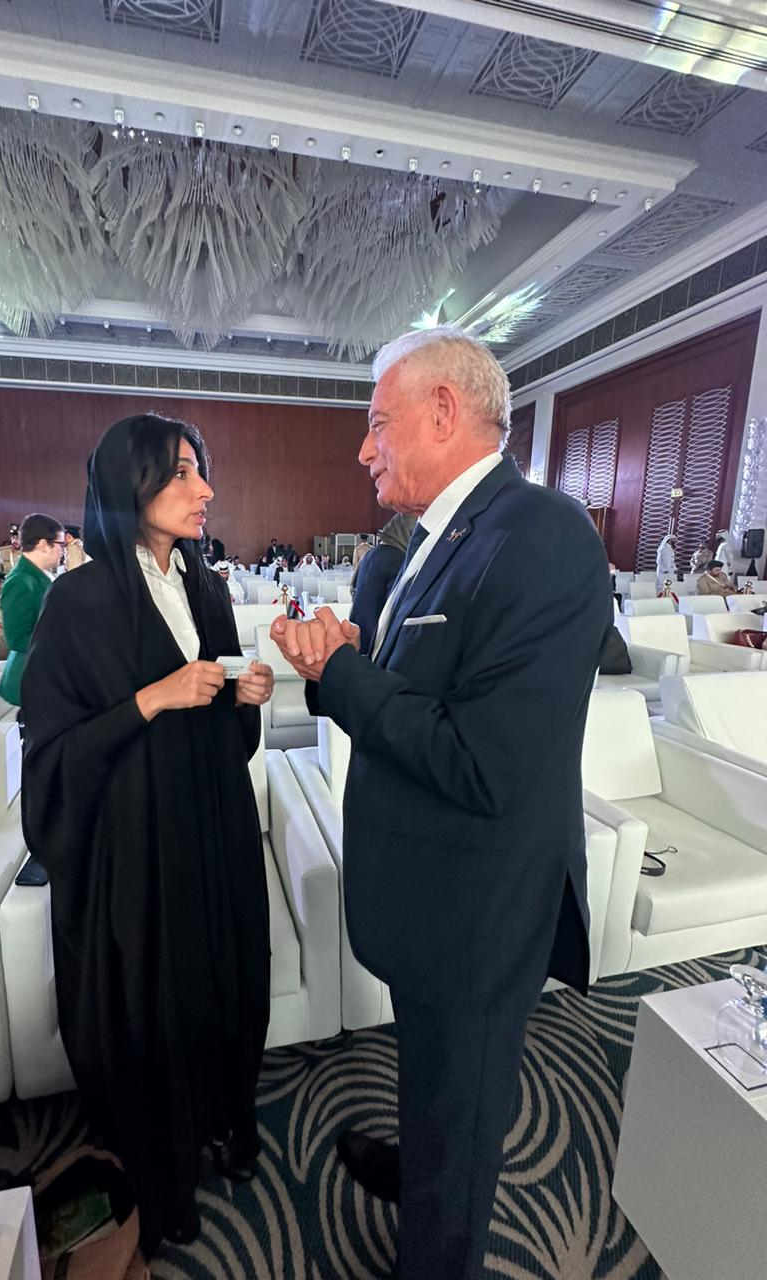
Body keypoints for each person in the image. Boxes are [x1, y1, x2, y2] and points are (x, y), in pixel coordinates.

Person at [268, 325, 610, 1280]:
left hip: (478, 910)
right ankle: (425, 1163)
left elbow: (481, 761)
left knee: (464, 1111)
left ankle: (440, 1229)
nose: (364, 449)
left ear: (444, 412)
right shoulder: (436, 539)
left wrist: (340, 673)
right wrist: (348, 657)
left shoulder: (541, 536)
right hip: (430, 891)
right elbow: (421, 686)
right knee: (435, 1080)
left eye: (378, 424)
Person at [21, 414, 274, 1259]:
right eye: (183, 475)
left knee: (224, 974)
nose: (206, 491)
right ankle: (165, 1177)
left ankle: (224, 1120)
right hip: (138, 851)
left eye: (201, 472)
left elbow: (227, 724)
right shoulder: (77, 602)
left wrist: (243, 695)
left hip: (214, 827)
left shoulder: (206, 587)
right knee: (157, 1002)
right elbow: (51, 755)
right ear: (131, 488)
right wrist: (151, 699)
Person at [0, 513, 65, 707]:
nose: (63, 551)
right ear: (43, 544)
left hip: (47, 674)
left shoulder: (39, 574)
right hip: (33, 677)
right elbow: (17, 638)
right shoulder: (20, 581)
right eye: (61, 545)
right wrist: (64, 644)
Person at [350, 512, 418, 655]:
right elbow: (398, 607)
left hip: (359, 630)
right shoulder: (399, 560)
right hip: (377, 639)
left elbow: (353, 587)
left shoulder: (371, 554)